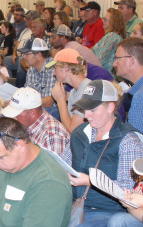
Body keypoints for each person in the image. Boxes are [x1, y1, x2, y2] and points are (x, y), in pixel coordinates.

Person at [61, 79, 143, 226]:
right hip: (74, 206)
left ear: (111, 107)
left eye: (93, 110)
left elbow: (129, 191)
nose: (86, 115)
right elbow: (61, 164)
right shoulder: (80, 133)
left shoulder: (128, 140)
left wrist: (90, 182)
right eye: (84, 109)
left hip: (110, 211)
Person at [1, 87, 70, 155]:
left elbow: (50, 166)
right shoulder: (27, 125)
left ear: (32, 113)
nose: (13, 118)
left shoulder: (52, 136)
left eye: (16, 115)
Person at [49, 48, 90, 133]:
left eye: (55, 68)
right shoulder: (74, 92)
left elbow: (73, 131)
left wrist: (60, 101)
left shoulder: (88, 91)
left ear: (66, 68)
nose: (54, 73)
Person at [19, 38, 57, 116]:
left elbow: (50, 102)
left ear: (39, 54)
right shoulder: (31, 70)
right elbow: (27, 94)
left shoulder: (53, 68)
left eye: (27, 54)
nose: (24, 57)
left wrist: (24, 102)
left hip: (51, 112)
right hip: (35, 109)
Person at [113, 38, 143, 132]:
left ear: (131, 61)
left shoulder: (140, 96)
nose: (114, 64)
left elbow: (135, 141)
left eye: (117, 58)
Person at [93, 8, 126, 73]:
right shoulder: (116, 36)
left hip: (103, 75)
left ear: (114, 22)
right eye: (103, 18)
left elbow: (99, 60)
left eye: (105, 19)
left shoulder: (111, 36)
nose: (102, 21)